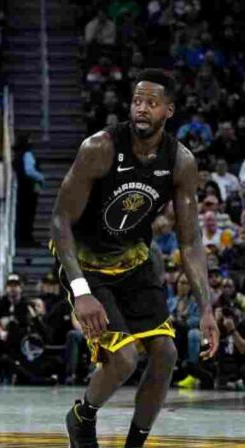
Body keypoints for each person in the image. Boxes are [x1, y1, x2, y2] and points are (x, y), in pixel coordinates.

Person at [51, 69, 219, 448]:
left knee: (166, 354)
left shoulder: (181, 161)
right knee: (124, 358)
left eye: (152, 103)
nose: (141, 109)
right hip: (84, 261)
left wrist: (207, 307)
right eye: (137, 101)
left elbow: (190, 241)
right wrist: (81, 291)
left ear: (168, 110)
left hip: (132, 259)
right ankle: (82, 418)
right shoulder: (100, 148)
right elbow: (60, 220)